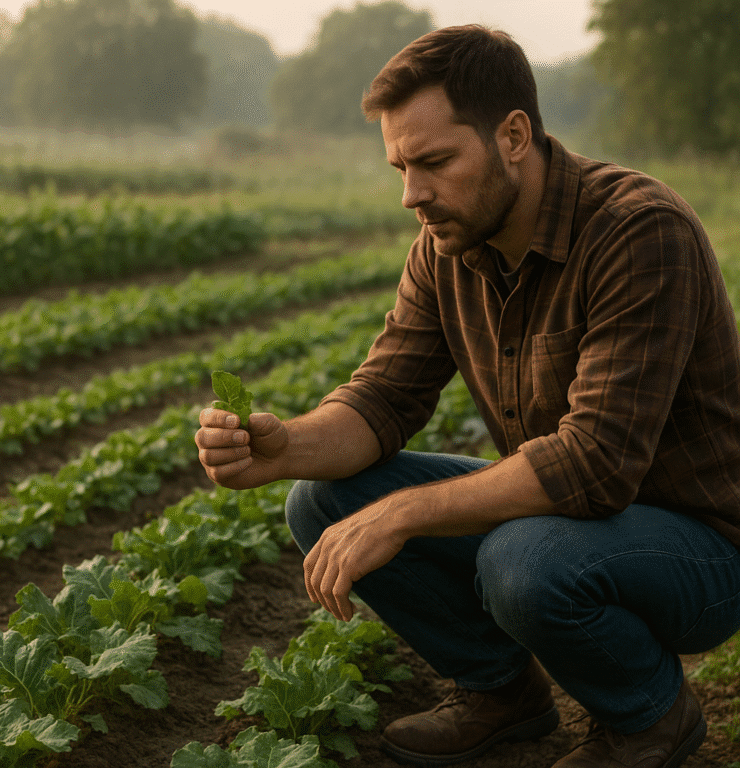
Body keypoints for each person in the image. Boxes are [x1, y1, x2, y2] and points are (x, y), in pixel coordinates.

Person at [195, 24, 740, 768]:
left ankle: (650, 715)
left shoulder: (638, 232)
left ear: (513, 135)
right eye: (399, 166)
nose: (411, 193)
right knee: (323, 500)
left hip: (700, 549)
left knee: (524, 559)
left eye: (435, 162)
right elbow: (383, 398)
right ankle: (500, 692)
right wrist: (287, 445)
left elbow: (596, 464)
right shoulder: (447, 248)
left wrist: (403, 513)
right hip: (576, 521)